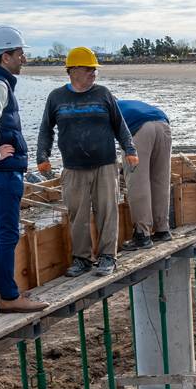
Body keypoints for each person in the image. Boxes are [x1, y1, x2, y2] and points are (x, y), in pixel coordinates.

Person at [37, 47, 137, 277]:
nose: (94, 73)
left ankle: (107, 257)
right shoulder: (56, 98)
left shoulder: (103, 94)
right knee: (77, 215)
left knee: (107, 211)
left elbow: (119, 126)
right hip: (73, 167)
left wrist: (129, 149)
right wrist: (43, 156)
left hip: (105, 164)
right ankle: (81, 259)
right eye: (89, 69)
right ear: (73, 71)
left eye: (95, 69)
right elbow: (46, 129)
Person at [0, 25, 47, 313]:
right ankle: (9, 297)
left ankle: (7, 291)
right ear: (5, 56)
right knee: (7, 233)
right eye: (19, 53)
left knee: (5, 231)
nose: (23, 59)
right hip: (2, 172)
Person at [117, 99, 172, 249]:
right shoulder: (128, 104)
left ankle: (142, 235)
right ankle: (162, 229)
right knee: (160, 180)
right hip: (163, 125)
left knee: (138, 182)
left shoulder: (105, 109)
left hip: (139, 130)